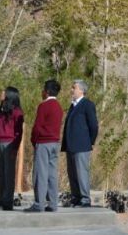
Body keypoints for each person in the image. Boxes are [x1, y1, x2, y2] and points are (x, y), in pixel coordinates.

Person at [25, 79, 63, 212]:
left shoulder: (43, 106)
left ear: (46, 92)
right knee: (52, 173)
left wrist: (33, 140)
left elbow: (37, 126)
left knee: (40, 174)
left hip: (43, 142)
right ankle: (53, 203)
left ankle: (39, 203)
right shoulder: (58, 106)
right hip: (55, 143)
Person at [61, 79, 98, 208]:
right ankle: (75, 197)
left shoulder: (87, 104)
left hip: (82, 145)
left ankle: (85, 199)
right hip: (70, 145)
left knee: (82, 172)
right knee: (72, 173)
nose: (71, 90)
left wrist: (90, 142)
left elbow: (93, 125)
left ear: (81, 90)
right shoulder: (73, 105)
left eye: (74, 87)